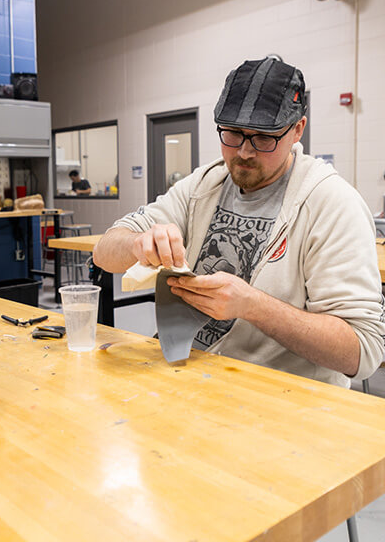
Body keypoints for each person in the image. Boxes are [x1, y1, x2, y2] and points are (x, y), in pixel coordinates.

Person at [93, 56, 385, 387]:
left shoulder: (331, 204)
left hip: (277, 398)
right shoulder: (205, 184)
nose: (244, 152)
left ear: (297, 129)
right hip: (188, 376)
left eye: (264, 138)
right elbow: (103, 253)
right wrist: (136, 243)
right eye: (232, 134)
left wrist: (253, 306)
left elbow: (362, 352)